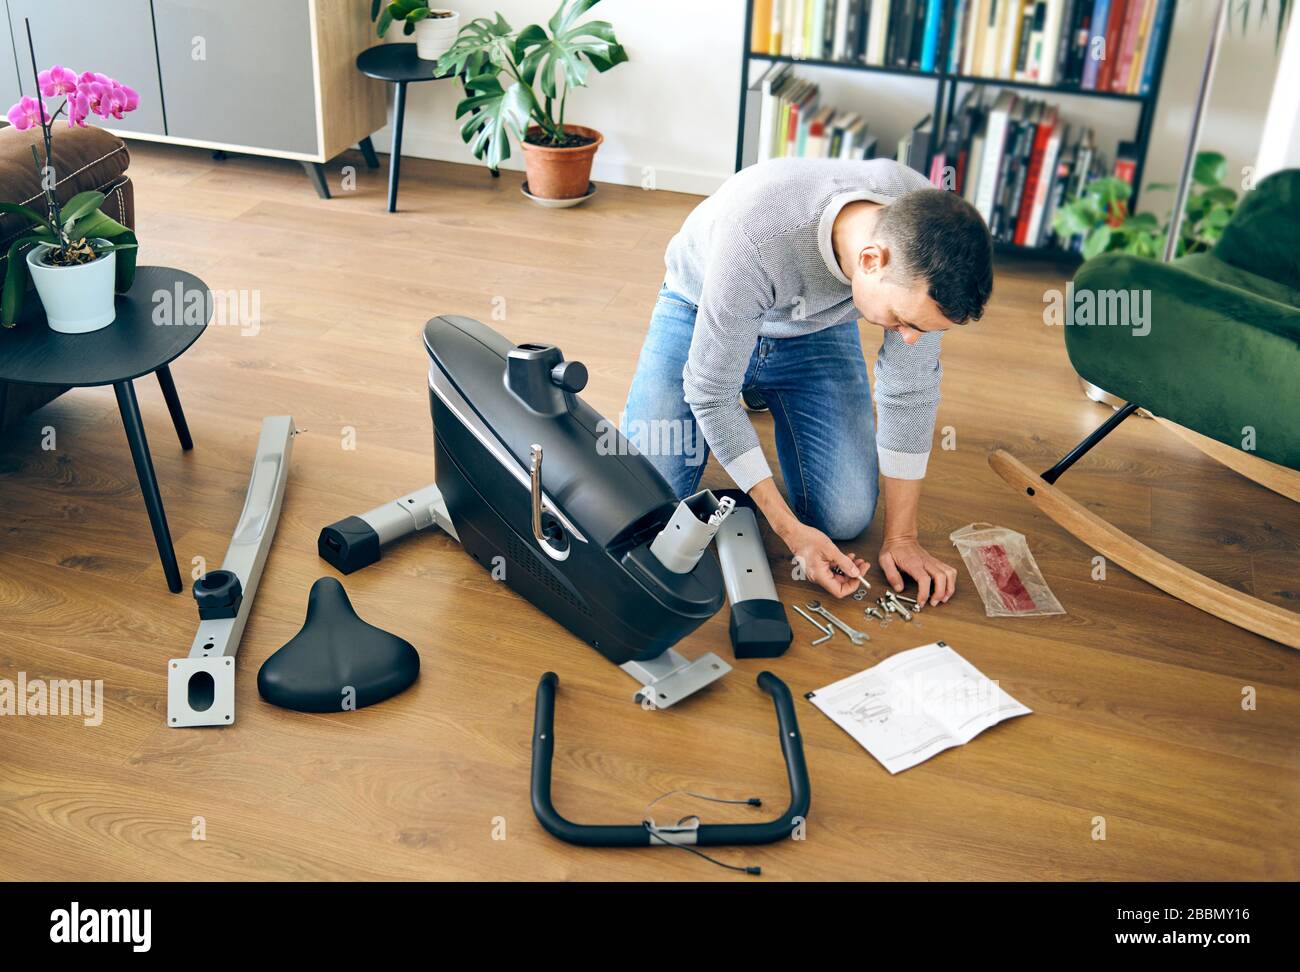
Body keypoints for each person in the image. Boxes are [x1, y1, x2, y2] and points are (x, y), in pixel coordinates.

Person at [621, 157, 993, 604]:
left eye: (923, 328)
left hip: (814, 324)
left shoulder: (922, 225)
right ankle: (729, 378)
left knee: (846, 517)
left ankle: (760, 384)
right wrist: (792, 534)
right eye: (900, 320)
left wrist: (903, 538)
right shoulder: (757, 234)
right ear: (871, 260)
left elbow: (909, 391)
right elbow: (712, 393)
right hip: (700, 306)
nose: (910, 338)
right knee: (643, 501)